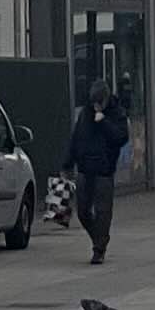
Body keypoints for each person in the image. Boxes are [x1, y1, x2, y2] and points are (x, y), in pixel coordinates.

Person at [62, 91, 131, 267]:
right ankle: (98, 238)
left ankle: (99, 249)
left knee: (103, 211)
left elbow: (121, 137)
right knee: (83, 210)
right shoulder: (85, 113)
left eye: (99, 103)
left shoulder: (117, 113)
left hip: (104, 169)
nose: (96, 106)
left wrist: (103, 123)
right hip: (85, 168)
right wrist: (68, 164)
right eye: (94, 103)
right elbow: (76, 138)